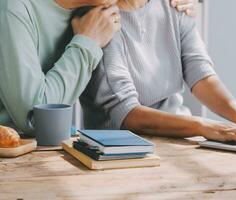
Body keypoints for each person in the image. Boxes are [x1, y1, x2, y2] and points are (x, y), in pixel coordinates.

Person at [81, 0, 236, 144]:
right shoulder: (102, 20)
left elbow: (199, 72)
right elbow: (127, 114)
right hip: (122, 151)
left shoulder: (173, 5)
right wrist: (205, 126)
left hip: (180, 139)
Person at [0, 0, 196, 135]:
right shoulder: (14, 8)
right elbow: (35, 119)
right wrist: (88, 41)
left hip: (52, 150)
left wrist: (175, 6)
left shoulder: (96, 11)